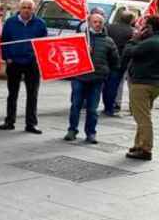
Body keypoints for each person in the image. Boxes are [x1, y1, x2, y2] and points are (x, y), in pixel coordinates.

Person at [65, 13, 120, 144]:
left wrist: (106, 75)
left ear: (103, 24)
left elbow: (115, 62)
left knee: (92, 109)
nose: (97, 24)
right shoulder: (80, 38)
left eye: (100, 22)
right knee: (76, 105)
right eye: (95, 22)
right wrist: (83, 51)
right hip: (80, 77)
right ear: (89, 22)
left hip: (97, 79)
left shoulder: (108, 41)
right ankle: (72, 130)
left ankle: (91, 133)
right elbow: (68, 57)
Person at [0, 0, 48, 134]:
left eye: (29, 8)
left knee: (32, 94)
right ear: (19, 9)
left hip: (32, 63)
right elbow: (4, 41)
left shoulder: (40, 23)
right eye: (24, 7)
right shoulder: (10, 23)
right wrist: (7, 57)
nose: (26, 10)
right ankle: (9, 121)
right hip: (14, 62)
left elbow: (44, 43)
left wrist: (39, 59)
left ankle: (31, 124)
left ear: (33, 9)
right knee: (12, 93)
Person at [124, 15, 159, 160]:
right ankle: (138, 144)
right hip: (154, 84)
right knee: (143, 114)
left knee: (142, 118)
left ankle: (145, 149)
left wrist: (135, 39)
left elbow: (128, 52)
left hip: (142, 84)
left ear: (149, 28)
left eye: (144, 26)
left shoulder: (150, 42)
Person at [103, 10, 135, 115]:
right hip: (121, 61)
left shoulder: (109, 27)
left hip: (106, 59)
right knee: (115, 84)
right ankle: (112, 106)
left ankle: (107, 105)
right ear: (131, 20)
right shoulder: (132, 31)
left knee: (106, 83)